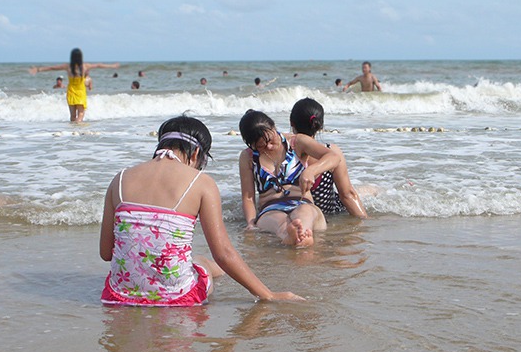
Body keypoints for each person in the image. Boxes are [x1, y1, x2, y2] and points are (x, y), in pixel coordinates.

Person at [100, 115, 303, 306]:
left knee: (192, 261)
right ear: (196, 153)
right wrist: (268, 294)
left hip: (119, 296)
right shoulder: (202, 183)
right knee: (201, 262)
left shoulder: (120, 178)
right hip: (177, 298)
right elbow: (223, 254)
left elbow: (106, 252)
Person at [237, 109, 340, 247]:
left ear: (274, 127)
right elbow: (248, 197)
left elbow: (333, 157)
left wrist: (311, 170)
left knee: (304, 213)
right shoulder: (248, 157)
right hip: (270, 209)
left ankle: (302, 232)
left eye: (271, 140)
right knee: (280, 223)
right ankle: (289, 235)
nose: (269, 147)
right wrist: (250, 222)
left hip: (302, 202)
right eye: (261, 146)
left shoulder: (297, 142)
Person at [290, 98, 367, 218]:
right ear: (320, 126)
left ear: (292, 123)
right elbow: (347, 194)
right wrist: (365, 222)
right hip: (330, 212)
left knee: (366, 191)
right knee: (363, 191)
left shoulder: (281, 153)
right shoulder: (332, 152)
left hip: (298, 216)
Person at [29, 48, 120, 122]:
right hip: (80, 92)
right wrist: (112, 66)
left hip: (71, 91)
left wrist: (38, 69)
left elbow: (52, 68)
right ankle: (78, 130)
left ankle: (73, 133)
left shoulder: (68, 66)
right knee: (81, 114)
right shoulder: (85, 66)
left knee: (72, 115)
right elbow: (99, 65)